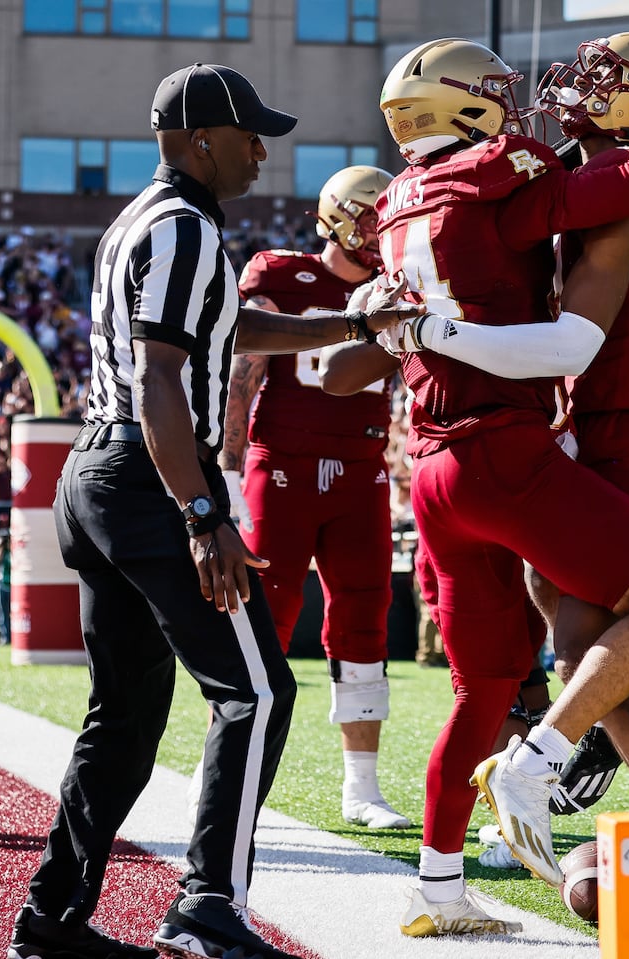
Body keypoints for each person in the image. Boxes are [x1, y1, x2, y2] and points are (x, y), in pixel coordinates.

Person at [7, 62, 417, 959]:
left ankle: (49, 921)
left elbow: (230, 332)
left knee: (123, 716)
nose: (262, 149)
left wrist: (353, 323)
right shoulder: (188, 228)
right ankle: (206, 905)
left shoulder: (142, 222)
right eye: (248, 134)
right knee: (259, 693)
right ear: (199, 140)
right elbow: (162, 379)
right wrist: (202, 511)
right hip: (151, 476)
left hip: (101, 473)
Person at [368, 37, 629, 938]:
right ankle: (541, 760)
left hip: (435, 472)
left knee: (482, 686)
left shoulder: (392, 203)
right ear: (468, 112)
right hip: (506, 452)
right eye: (498, 93)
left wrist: (418, 333)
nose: (529, 103)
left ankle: (439, 888)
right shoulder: (502, 171)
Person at [216, 164, 411, 831]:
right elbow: (244, 376)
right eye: (372, 216)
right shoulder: (282, 274)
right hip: (283, 466)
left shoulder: (400, 285)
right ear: (338, 215)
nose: (384, 230)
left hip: (361, 469)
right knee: (262, 616)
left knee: (365, 616)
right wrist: (228, 477)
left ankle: (362, 787)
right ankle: (234, 775)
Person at [0, 529, 12, 645]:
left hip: (12, 585)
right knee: (2, 613)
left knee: (12, 613)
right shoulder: (1, 552)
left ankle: (13, 636)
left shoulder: (12, 552)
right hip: (0, 584)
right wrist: (0, 546)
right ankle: (5, 636)